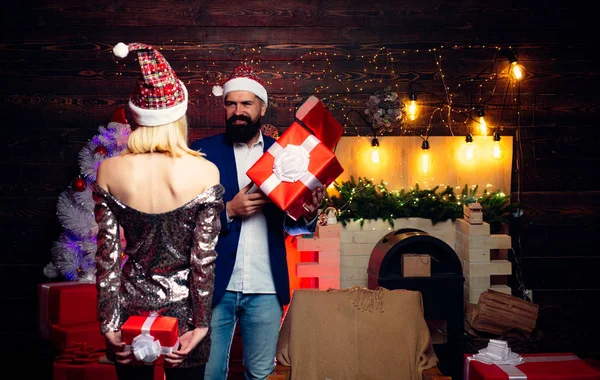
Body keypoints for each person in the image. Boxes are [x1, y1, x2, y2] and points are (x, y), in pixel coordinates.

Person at [93, 42, 223, 380]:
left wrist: (109, 322)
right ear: (179, 114)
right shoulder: (205, 173)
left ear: (136, 115)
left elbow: (107, 259)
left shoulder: (109, 171)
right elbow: (203, 262)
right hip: (186, 315)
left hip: (130, 309)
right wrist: (202, 324)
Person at [190, 64, 324, 380]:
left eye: (246, 104)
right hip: (215, 287)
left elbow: (294, 226)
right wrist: (228, 211)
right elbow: (184, 221)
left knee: (261, 375)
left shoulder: (285, 156)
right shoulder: (201, 153)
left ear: (261, 107)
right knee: (208, 374)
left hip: (266, 287)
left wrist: (307, 211)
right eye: (231, 103)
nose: (238, 111)